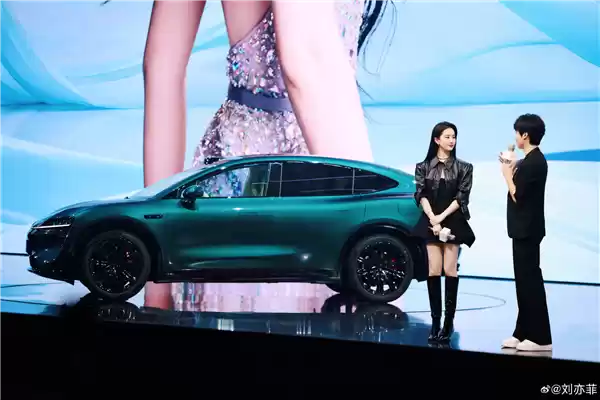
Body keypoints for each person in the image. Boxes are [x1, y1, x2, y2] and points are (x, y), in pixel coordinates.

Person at [132, 0, 392, 309]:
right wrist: (375, 221)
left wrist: (157, 276)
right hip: (306, 181)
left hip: (232, 175)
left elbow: (161, 67)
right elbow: (307, 58)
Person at [412, 122, 475, 343]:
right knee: (433, 269)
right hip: (430, 220)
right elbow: (421, 194)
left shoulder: (465, 167)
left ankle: (448, 323)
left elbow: (462, 197)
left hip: (453, 220)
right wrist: (432, 217)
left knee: (450, 269)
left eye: (454, 136)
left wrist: (441, 218)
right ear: (436, 140)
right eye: (447, 136)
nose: (452, 140)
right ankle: (435, 321)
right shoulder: (423, 167)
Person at [499, 114, 552, 352]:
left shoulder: (535, 162)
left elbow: (518, 195)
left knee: (530, 282)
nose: (515, 137)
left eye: (517, 133)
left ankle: (541, 338)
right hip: (522, 229)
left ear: (525, 135)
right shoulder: (528, 160)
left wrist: (507, 174)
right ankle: (522, 332)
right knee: (523, 283)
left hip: (528, 229)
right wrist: (512, 167)